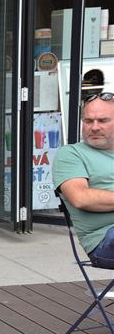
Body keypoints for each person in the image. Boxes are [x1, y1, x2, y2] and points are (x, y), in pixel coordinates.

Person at [53, 92, 114, 269]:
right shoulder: (71, 154)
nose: (94, 127)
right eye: (88, 121)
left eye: (102, 121)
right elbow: (81, 198)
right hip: (104, 240)